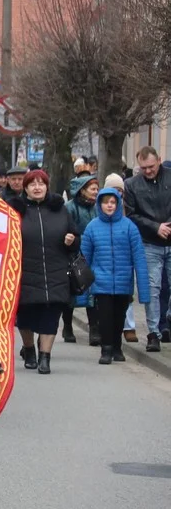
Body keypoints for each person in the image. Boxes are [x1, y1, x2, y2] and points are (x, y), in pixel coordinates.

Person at [7, 169, 78, 374]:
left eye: (41, 183)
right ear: (26, 188)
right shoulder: (15, 210)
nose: (37, 187)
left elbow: (75, 236)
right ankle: (29, 349)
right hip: (24, 272)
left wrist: (71, 240)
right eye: (32, 184)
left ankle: (45, 357)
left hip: (55, 271)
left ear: (47, 186)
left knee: (51, 316)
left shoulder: (60, 209)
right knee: (25, 316)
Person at [81, 188, 149, 364]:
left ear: (118, 204)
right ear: (100, 204)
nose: (109, 206)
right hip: (101, 281)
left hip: (123, 281)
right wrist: (82, 286)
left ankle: (117, 347)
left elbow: (139, 259)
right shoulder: (92, 227)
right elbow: (84, 258)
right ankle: (106, 349)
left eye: (113, 202)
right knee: (104, 317)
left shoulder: (129, 227)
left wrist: (144, 290)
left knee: (119, 317)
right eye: (106, 202)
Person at [122, 146, 171, 352]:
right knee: (152, 288)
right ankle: (153, 333)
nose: (148, 171)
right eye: (143, 168)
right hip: (149, 242)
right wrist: (155, 227)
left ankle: (167, 320)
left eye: (151, 166)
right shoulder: (132, 185)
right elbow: (132, 214)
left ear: (159, 160)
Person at [64, 175, 100, 346]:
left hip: (94, 254)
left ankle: (94, 328)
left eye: (96, 188)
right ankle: (67, 326)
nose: (95, 192)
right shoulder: (70, 208)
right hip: (74, 254)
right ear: (82, 190)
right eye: (92, 189)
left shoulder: (97, 207)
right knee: (72, 291)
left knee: (92, 292)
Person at [104, 172, 139, 342]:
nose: (116, 194)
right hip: (105, 265)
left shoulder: (128, 210)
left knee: (126, 296)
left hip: (124, 263)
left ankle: (128, 326)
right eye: (112, 190)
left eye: (120, 190)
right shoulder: (102, 211)